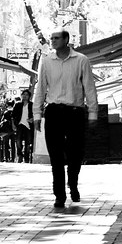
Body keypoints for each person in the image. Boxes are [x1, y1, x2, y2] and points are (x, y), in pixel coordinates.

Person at [33, 30, 98, 208]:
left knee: (75, 153)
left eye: (56, 38)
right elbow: (40, 89)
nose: (52, 41)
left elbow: (89, 88)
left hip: (75, 112)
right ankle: (59, 194)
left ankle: (73, 183)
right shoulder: (46, 62)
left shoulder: (81, 60)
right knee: (55, 156)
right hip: (53, 112)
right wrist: (37, 114)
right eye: (51, 38)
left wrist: (93, 113)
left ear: (66, 40)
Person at [12, 89, 33, 162]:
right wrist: (13, 125)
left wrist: (32, 119)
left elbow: (35, 114)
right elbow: (13, 115)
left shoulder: (31, 105)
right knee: (18, 141)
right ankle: (19, 155)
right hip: (19, 124)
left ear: (29, 96)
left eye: (27, 95)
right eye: (23, 94)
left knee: (28, 142)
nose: (25, 96)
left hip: (28, 125)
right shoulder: (18, 104)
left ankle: (27, 157)